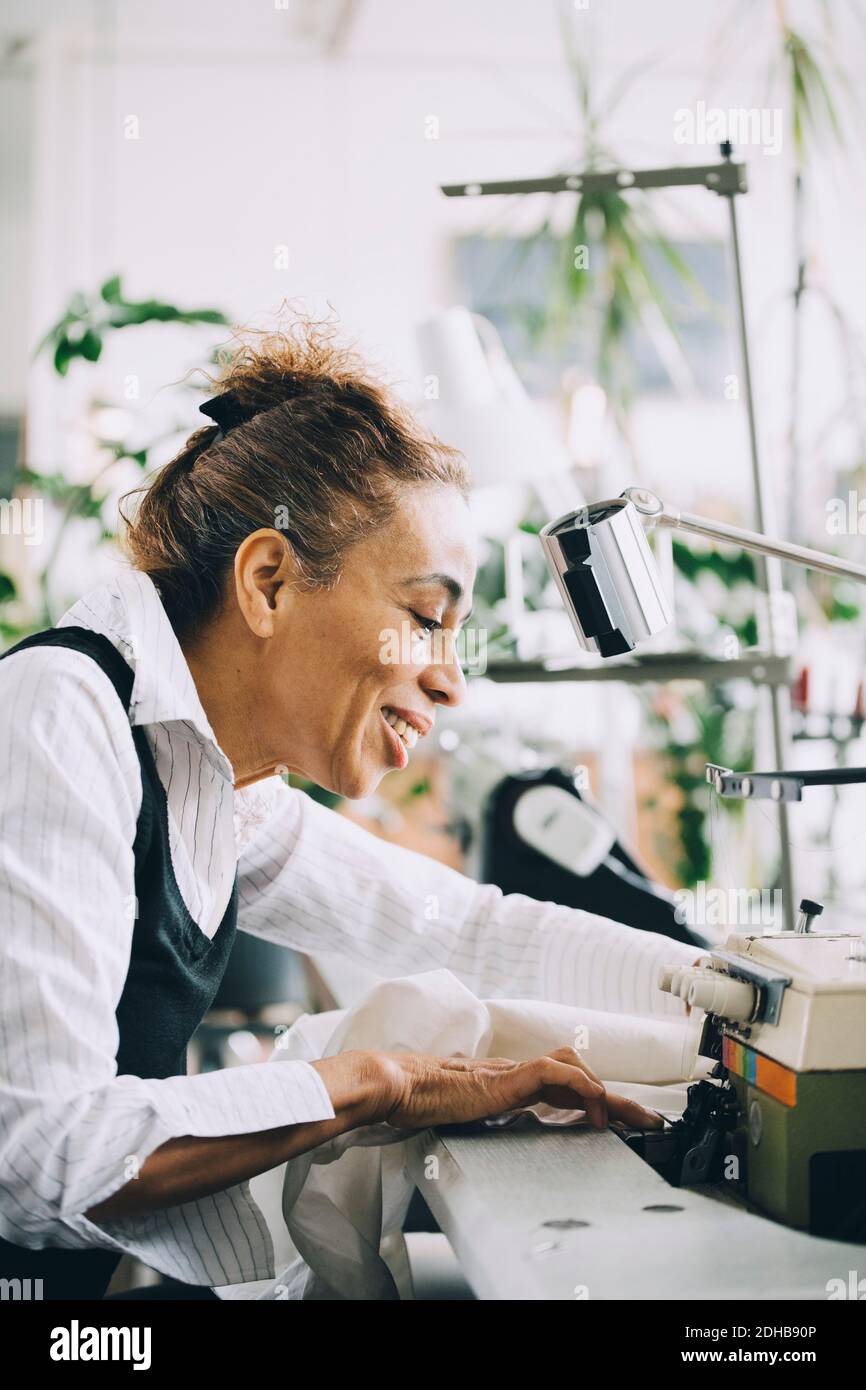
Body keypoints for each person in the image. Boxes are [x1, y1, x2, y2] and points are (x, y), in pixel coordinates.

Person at [0, 320, 698, 1299]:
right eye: (425, 617)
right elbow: (39, 1158)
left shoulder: (222, 790)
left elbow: (468, 929)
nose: (451, 682)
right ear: (268, 582)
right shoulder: (59, 716)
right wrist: (377, 1082)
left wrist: (734, 994)